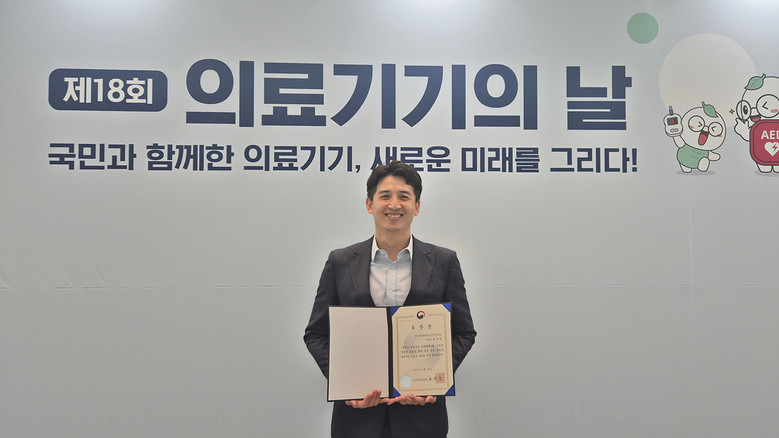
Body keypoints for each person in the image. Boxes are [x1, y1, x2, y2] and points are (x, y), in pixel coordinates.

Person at [304, 161, 477, 438]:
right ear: (369, 204)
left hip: (422, 418)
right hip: (356, 419)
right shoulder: (341, 261)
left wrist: (433, 381)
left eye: (404, 197)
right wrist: (345, 383)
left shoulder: (443, 261)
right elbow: (316, 334)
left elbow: (464, 332)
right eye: (385, 196)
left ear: (416, 206)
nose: (394, 205)